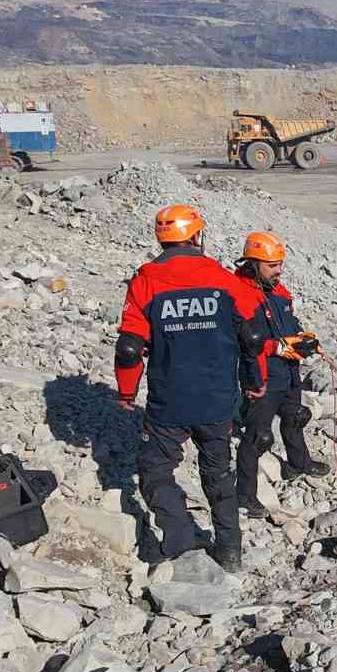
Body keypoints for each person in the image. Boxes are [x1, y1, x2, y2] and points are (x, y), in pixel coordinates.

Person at [115, 205, 254, 567]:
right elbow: (252, 337)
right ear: (196, 236)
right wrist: (255, 382)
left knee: (155, 470)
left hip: (169, 401)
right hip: (218, 400)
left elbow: (129, 349)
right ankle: (229, 549)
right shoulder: (224, 279)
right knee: (219, 473)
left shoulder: (146, 280)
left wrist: (127, 393)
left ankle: (179, 544)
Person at [234, 230, 330, 520]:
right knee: (258, 436)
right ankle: (245, 495)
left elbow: (288, 320)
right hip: (262, 375)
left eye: (280, 265)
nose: (279, 271)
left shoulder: (278, 289)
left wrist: (302, 337)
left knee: (296, 416)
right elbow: (242, 341)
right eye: (272, 265)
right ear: (253, 263)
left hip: (288, 370)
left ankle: (298, 463)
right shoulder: (239, 294)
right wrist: (275, 347)